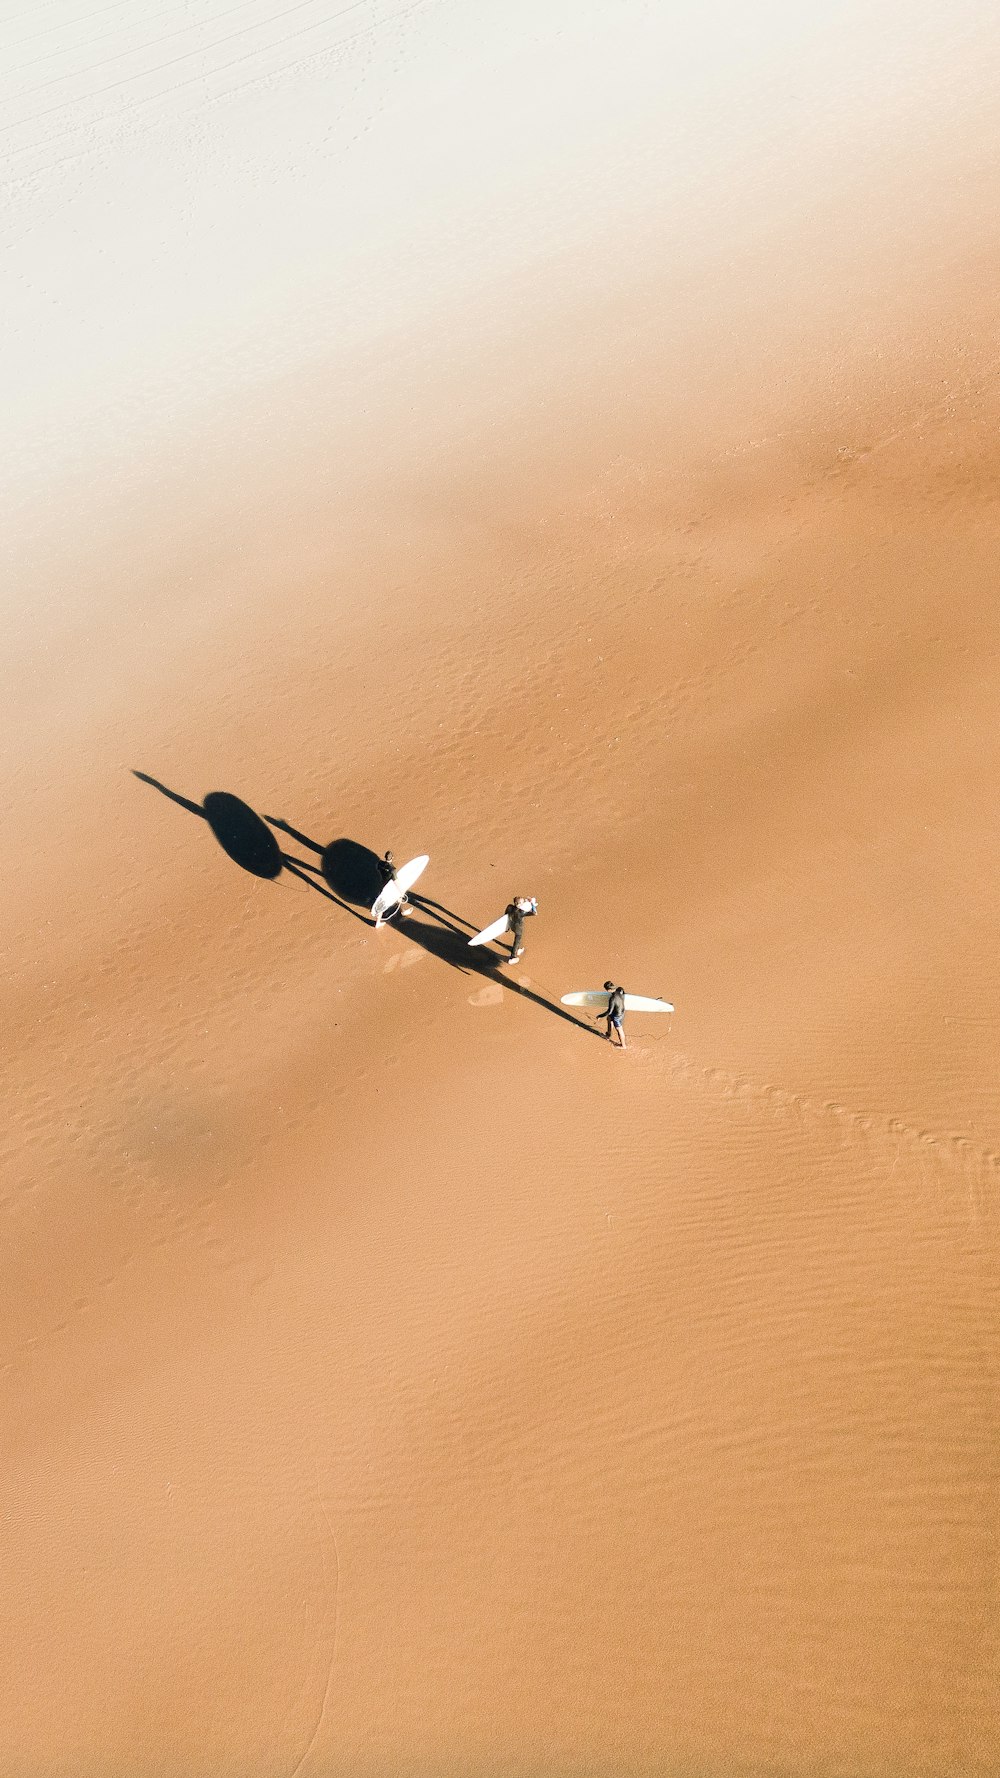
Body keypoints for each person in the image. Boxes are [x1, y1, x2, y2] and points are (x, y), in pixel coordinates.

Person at [373, 850, 411, 928]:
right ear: (392, 857)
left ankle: (403, 911)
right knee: (388, 902)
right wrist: (402, 891)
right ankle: (377, 923)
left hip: (382, 885)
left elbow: (377, 868)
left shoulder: (380, 864)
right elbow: (396, 882)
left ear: (385, 857)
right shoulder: (392, 870)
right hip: (390, 888)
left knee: (385, 901)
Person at [503, 895, 537, 964]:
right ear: (518, 904)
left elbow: (506, 915)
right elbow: (534, 913)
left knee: (518, 940)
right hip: (518, 929)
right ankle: (513, 957)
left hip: (511, 925)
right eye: (522, 902)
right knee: (517, 941)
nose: (523, 902)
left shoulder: (510, 907)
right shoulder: (521, 912)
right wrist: (533, 904)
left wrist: (507, 927)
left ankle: (517, 949)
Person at [603, 981, 627, 1048]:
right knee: (609, 1018)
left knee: (619, 1029)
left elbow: (609, 1011)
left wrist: (600, 1016)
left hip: (617, 1016)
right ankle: (608, 1034)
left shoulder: (612, 998)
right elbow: (623, 993)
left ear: (608, 990)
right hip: (620, 1010)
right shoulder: (620, 989)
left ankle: (623, 1046)